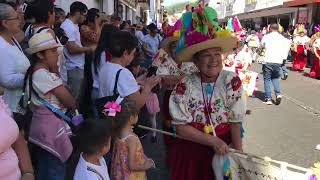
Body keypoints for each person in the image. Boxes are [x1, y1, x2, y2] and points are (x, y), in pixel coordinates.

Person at [168, 6, 245, 180]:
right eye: (206, 55)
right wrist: (212, 141)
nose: (214, 60)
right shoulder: (184, 84)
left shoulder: (231, 81)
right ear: (195, 60)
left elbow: (235, 120)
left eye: (217, 54)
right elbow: (180, 128)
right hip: (193, 153)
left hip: (226, 147)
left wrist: (238, 155)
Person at [25, 32, 76, 180]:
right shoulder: (42, 75)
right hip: (50, 130)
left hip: (44, 128)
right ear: (40, 55)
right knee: (54, 170)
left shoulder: (40, 73)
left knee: (46, 167)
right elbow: (69, 101)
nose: (57, 55)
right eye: (53, 51)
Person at [0, 4, 34, 180]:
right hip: (11, 103)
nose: (20, 20)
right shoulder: (1, 46)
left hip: (19, 101)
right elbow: (5, 79)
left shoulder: (12, 39)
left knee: (19, 136)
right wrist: (31, 76)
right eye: (15, 17)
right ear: (5, 23)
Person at [157, 23, 198, 146]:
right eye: (174, 46)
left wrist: (175, 79)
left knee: (189, 129)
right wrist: (186, 78)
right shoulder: (164, 59)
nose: (177, 49)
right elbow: (161, 79)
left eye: (180, 46)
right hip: (170, 97)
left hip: (189, 99)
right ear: (170, 48)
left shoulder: (191, 62)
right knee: (170, 130)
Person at [98, 31, 159, 110]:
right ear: (125, 53)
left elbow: (116, 85)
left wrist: (136, 81)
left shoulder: (105, 66)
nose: (133, 57)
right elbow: (138, 104)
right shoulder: (123, 73)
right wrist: (148, 86)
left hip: (107, 113)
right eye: (133, 53)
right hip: (119, 119)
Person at [110, 99, 155, 180]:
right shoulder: (132, 139)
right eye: (137, 114)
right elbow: (132, 165)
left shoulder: (117, 132)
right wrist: (146, 166)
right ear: (131, 118)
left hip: (120, 173)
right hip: (131, 176)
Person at [60, 1, 94, 104]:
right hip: (73, 67)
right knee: (73, 99)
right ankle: (71, 119)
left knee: (77, 97)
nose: (85, 18)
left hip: (77, 66)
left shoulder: (73, 25)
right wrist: (89, 49)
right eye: (84, 15)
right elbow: (72, 49)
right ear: (78, 13)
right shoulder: (68, 26)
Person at [260, 24, 290, 105]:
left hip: (267, 60)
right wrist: (283, 59)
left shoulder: (266, 37)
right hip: (278, 61)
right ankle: (278, 94)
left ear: (270, 29)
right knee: (275, 78)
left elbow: (261, 46)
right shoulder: (282, 38)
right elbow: (286, 49)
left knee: (267, 79)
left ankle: (268, 98)